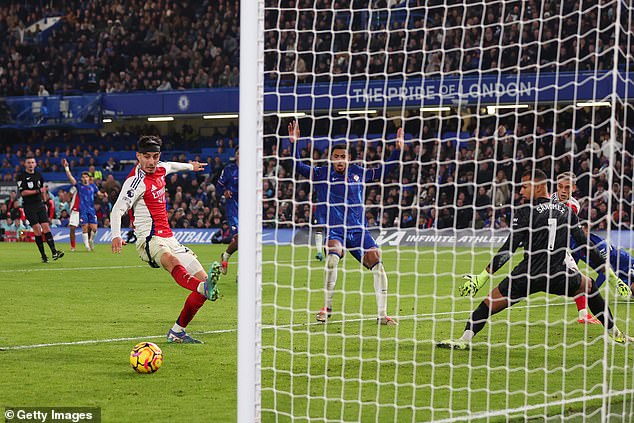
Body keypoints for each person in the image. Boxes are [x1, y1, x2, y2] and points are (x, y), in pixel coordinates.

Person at [437, 169, 632, 350]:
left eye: (524, 186)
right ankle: (616, 334)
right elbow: (586, 246)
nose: (521, 191)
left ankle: (464, 340)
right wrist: (613, 278)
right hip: (556, 274)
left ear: (538, 187)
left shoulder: (525, 213)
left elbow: (508, 249)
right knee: (589, 286)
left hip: (526, 275)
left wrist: (482, 277)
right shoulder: (568, 213)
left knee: (487, 304)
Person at [288, 120, 402, 325]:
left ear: (349, 158)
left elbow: (386, 170)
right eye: (336, 157)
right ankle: (326, 307)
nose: (340, 160)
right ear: (331, 159)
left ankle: (382, 315)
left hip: (359, 231)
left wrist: (397, 151)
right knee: (332, 260)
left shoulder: (359, 172)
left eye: (343, 157)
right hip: (336, 231)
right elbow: (297, 166)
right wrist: (294, 143)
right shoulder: (321, 173)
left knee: (378, 263)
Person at [110, 135, 221, 344]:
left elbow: (171, 165)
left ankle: (177, 331)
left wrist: (191, 166)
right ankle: (200, 288)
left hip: (170, 237)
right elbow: (117, 210)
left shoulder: (160, 168)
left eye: (155, 156)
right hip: (149, 240)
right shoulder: (135, 182)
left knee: (206, 283)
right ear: (138, 157)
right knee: (173, 262)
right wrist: (116, 235)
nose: (151, 162)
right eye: (146, 157)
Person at [552, 171, 630, 325]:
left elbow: (561, 218)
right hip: (544, 246)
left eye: (567, 188)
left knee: (579, 278)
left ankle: (583, 315)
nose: (562, 191)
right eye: (560, 187)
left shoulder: (573, 205)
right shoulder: (550, 198)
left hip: (559, 248)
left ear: (573, 188)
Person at [16, 154, 64, 262]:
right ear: (25, 164)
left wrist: (45, 201)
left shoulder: (38, 175)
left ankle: (54, 252)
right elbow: (23, 192)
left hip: (40, 205)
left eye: (32, 162)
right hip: (29, 206)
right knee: (37, 230)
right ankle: (43, 256)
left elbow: (42, 190)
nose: (31, 165)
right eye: (28, 163)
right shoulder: (21, 177)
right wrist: (38, 191)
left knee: (46, 228)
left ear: (35, 164)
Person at [570, 222, 634, 296]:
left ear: (587, 230)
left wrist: (594, 289)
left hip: (626, 263)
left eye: (584, 230)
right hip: (617, 272)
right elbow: (574, 260)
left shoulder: (599, 245)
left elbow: (604, 269)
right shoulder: (573, 242)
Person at [63, 158, 105, 251]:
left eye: (87, 177)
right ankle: (86, 247)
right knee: (84, 228)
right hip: (82, 210)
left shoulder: (93, 186)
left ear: (89, 178)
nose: (85, 178)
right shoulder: (79, 186)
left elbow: (99, 195)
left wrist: (103, 195)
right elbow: (71, 178)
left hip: (91, 210)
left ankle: (91, 241)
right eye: (83, 177)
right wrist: (67, 168)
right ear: (81, 178)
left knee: (94, 229)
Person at [217, 148, 239, 275]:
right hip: (233, 208)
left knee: (241, 242)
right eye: (238, 153)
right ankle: (242, 274)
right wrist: (224, 192)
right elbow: (219, 186)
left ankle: (225, 256)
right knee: (241, 239)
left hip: (249, 208)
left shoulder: (253, 169)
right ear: (235, 156)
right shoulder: (229, 170)